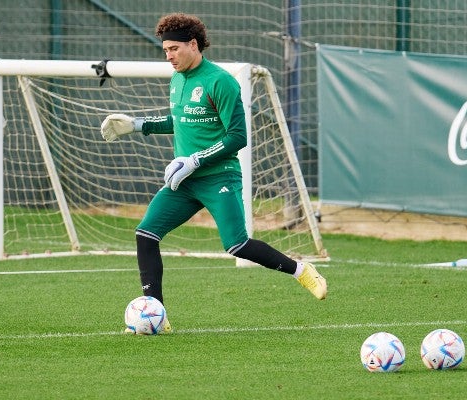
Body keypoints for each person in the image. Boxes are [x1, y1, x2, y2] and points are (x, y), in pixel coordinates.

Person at [105, 13, 327, 333]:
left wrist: (195, 159)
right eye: (165, 49)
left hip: (219, 176)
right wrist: (138, 125)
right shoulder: (177, 78)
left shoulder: (220, 81)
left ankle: (302, 271)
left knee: (236, 245)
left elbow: (238, 137)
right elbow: (180, 120)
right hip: (185, 180)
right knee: (146, 235)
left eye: (174, 49)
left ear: (193, 45)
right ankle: (156, 315)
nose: (168, 56)